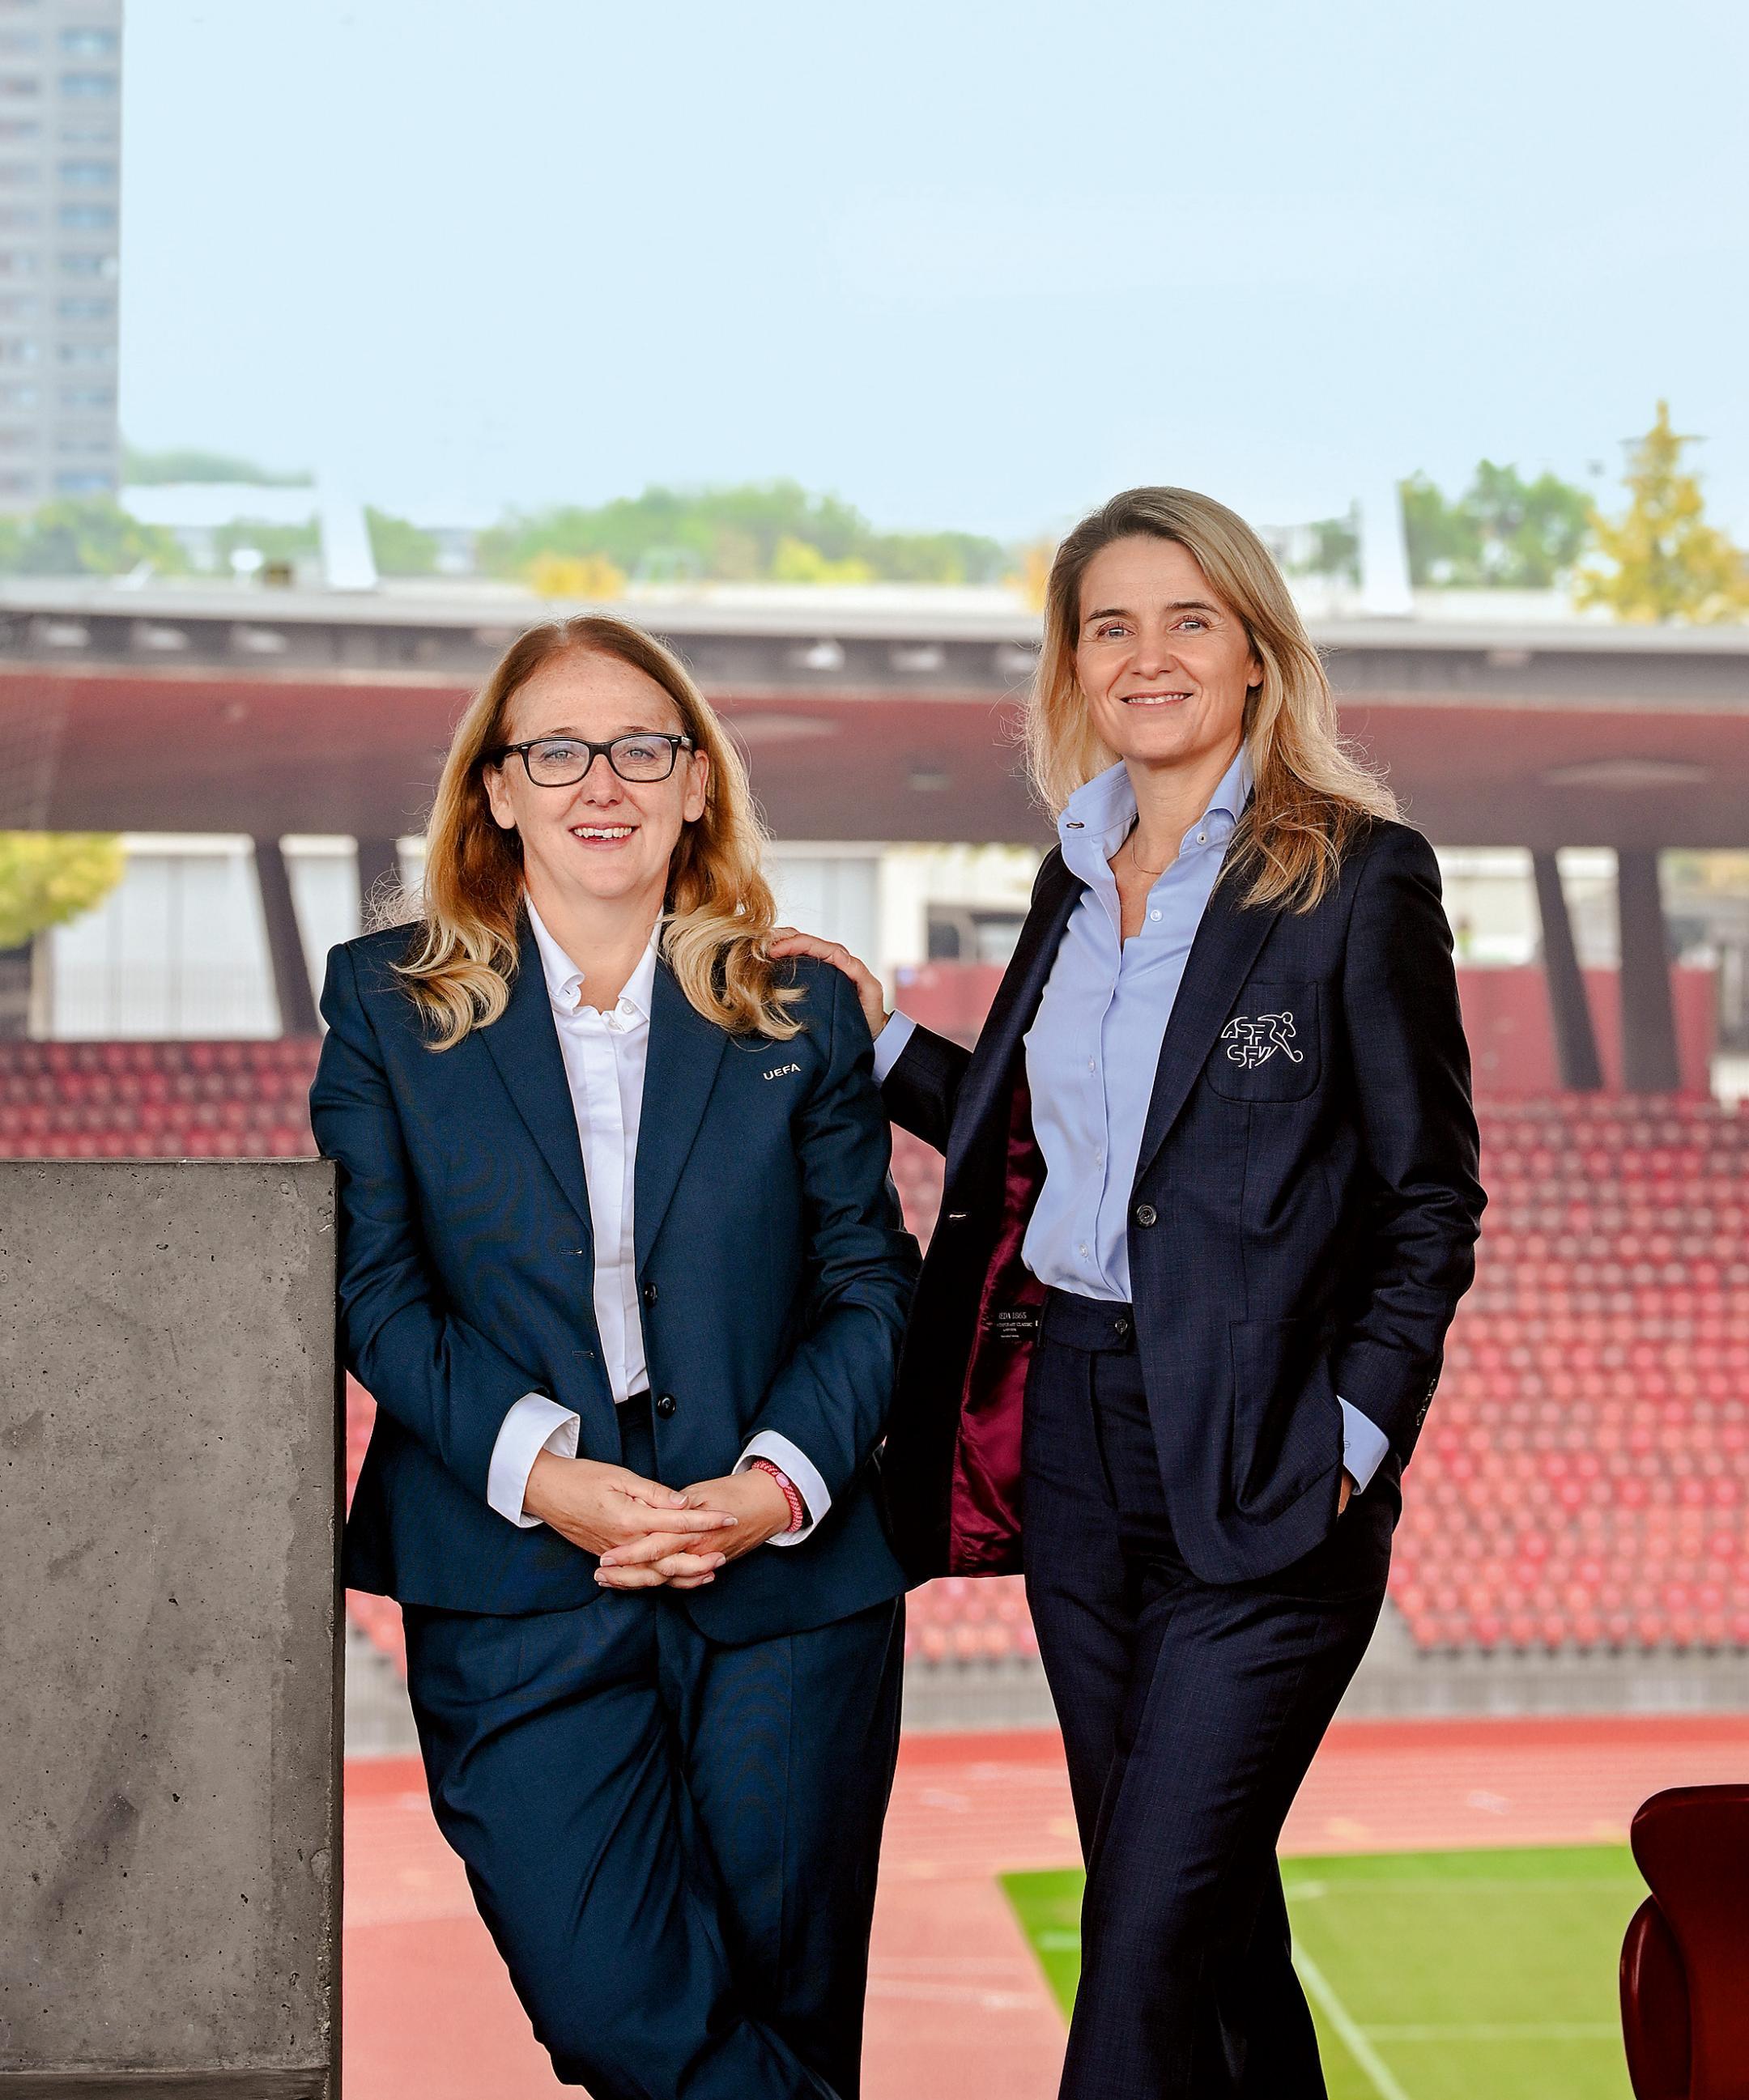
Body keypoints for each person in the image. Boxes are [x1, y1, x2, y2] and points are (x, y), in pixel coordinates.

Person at [772, 487, 1485, 2099]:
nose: (1147, 656)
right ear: (1075, 666)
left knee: (1143, 1943)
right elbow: (1048, 1141)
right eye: (1111, 626)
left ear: (1255, 653)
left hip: (1266, 1462)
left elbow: (1430, 1198)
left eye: (1188, 621)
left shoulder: (1359, 878)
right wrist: (882, 1044)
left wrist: (1352, 1439)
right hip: (1077, 1437)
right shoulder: (1072, 877)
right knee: (1207, 1933)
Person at [310, 614, 918, 2100]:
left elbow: (871, 1285)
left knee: (788, 2018)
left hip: (783, 1590)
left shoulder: (798, 1005)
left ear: (697, 784)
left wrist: (770, 1488)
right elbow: (373, 1289)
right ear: (496, 788)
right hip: (513, 1582)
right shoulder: (384, 1000)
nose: (603, 781)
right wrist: (548, 1473)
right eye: (558, 750)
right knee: (615, 2013)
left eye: (644, 748)